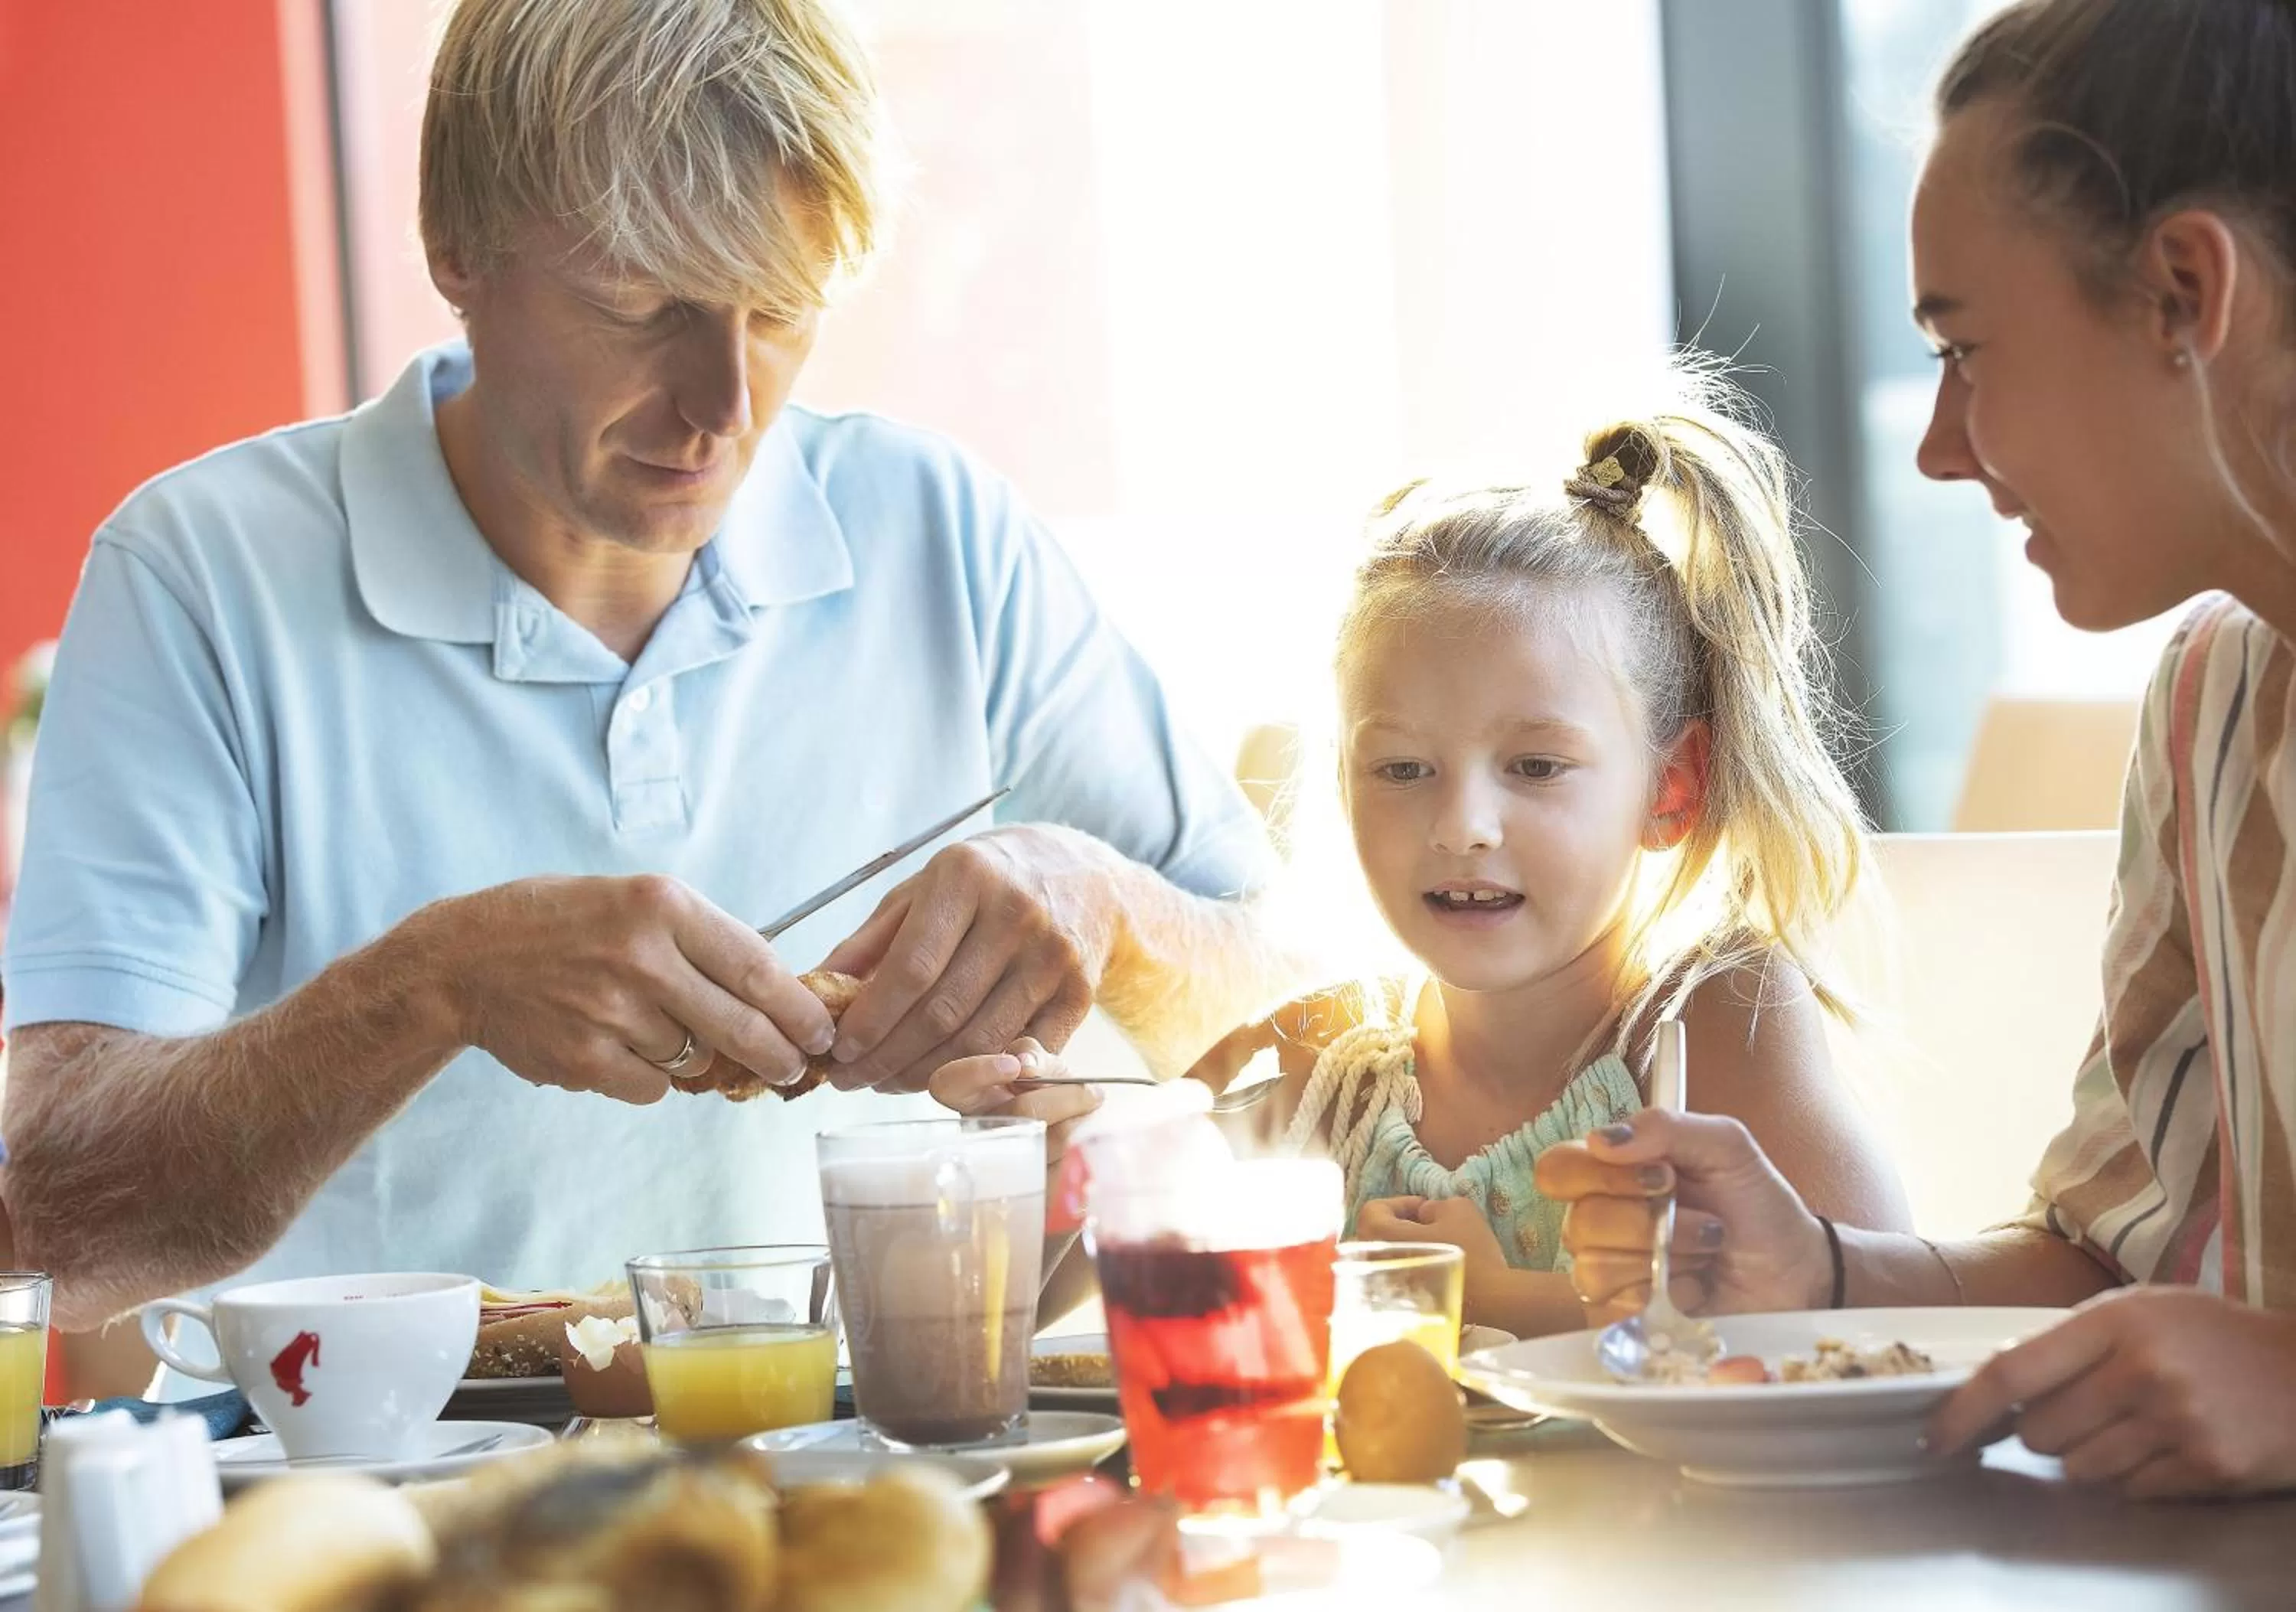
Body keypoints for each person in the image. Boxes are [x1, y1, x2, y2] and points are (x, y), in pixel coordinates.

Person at [0, 0, 1292, 1334]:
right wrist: (434, 986)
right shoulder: (201, 574)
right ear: (457, 247)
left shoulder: (942, 535)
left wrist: (1105, 905)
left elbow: (1291, 1026)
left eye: (779, 309)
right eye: (643, 305)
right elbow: (54, 1226)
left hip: (884, 1437)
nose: (725, 406)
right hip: (363, 1459)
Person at [1540, 0, 2296, 1499]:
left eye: (1965, 349)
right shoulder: (2212, 707)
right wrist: (1822, 1273)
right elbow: (2115, 1264)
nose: (1941, 447)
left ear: (2184, 293)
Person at [943, 377, 1913, 1340]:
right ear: (1342, 785)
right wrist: (1031, 1165)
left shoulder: (1713, 1019)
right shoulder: (1321, 1062)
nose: (1462, 826)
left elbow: (1879, 1325)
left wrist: (1496, 1300)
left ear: (1670, 787)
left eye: (1536, 766)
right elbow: (1009, 1316)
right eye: (1402, 768)